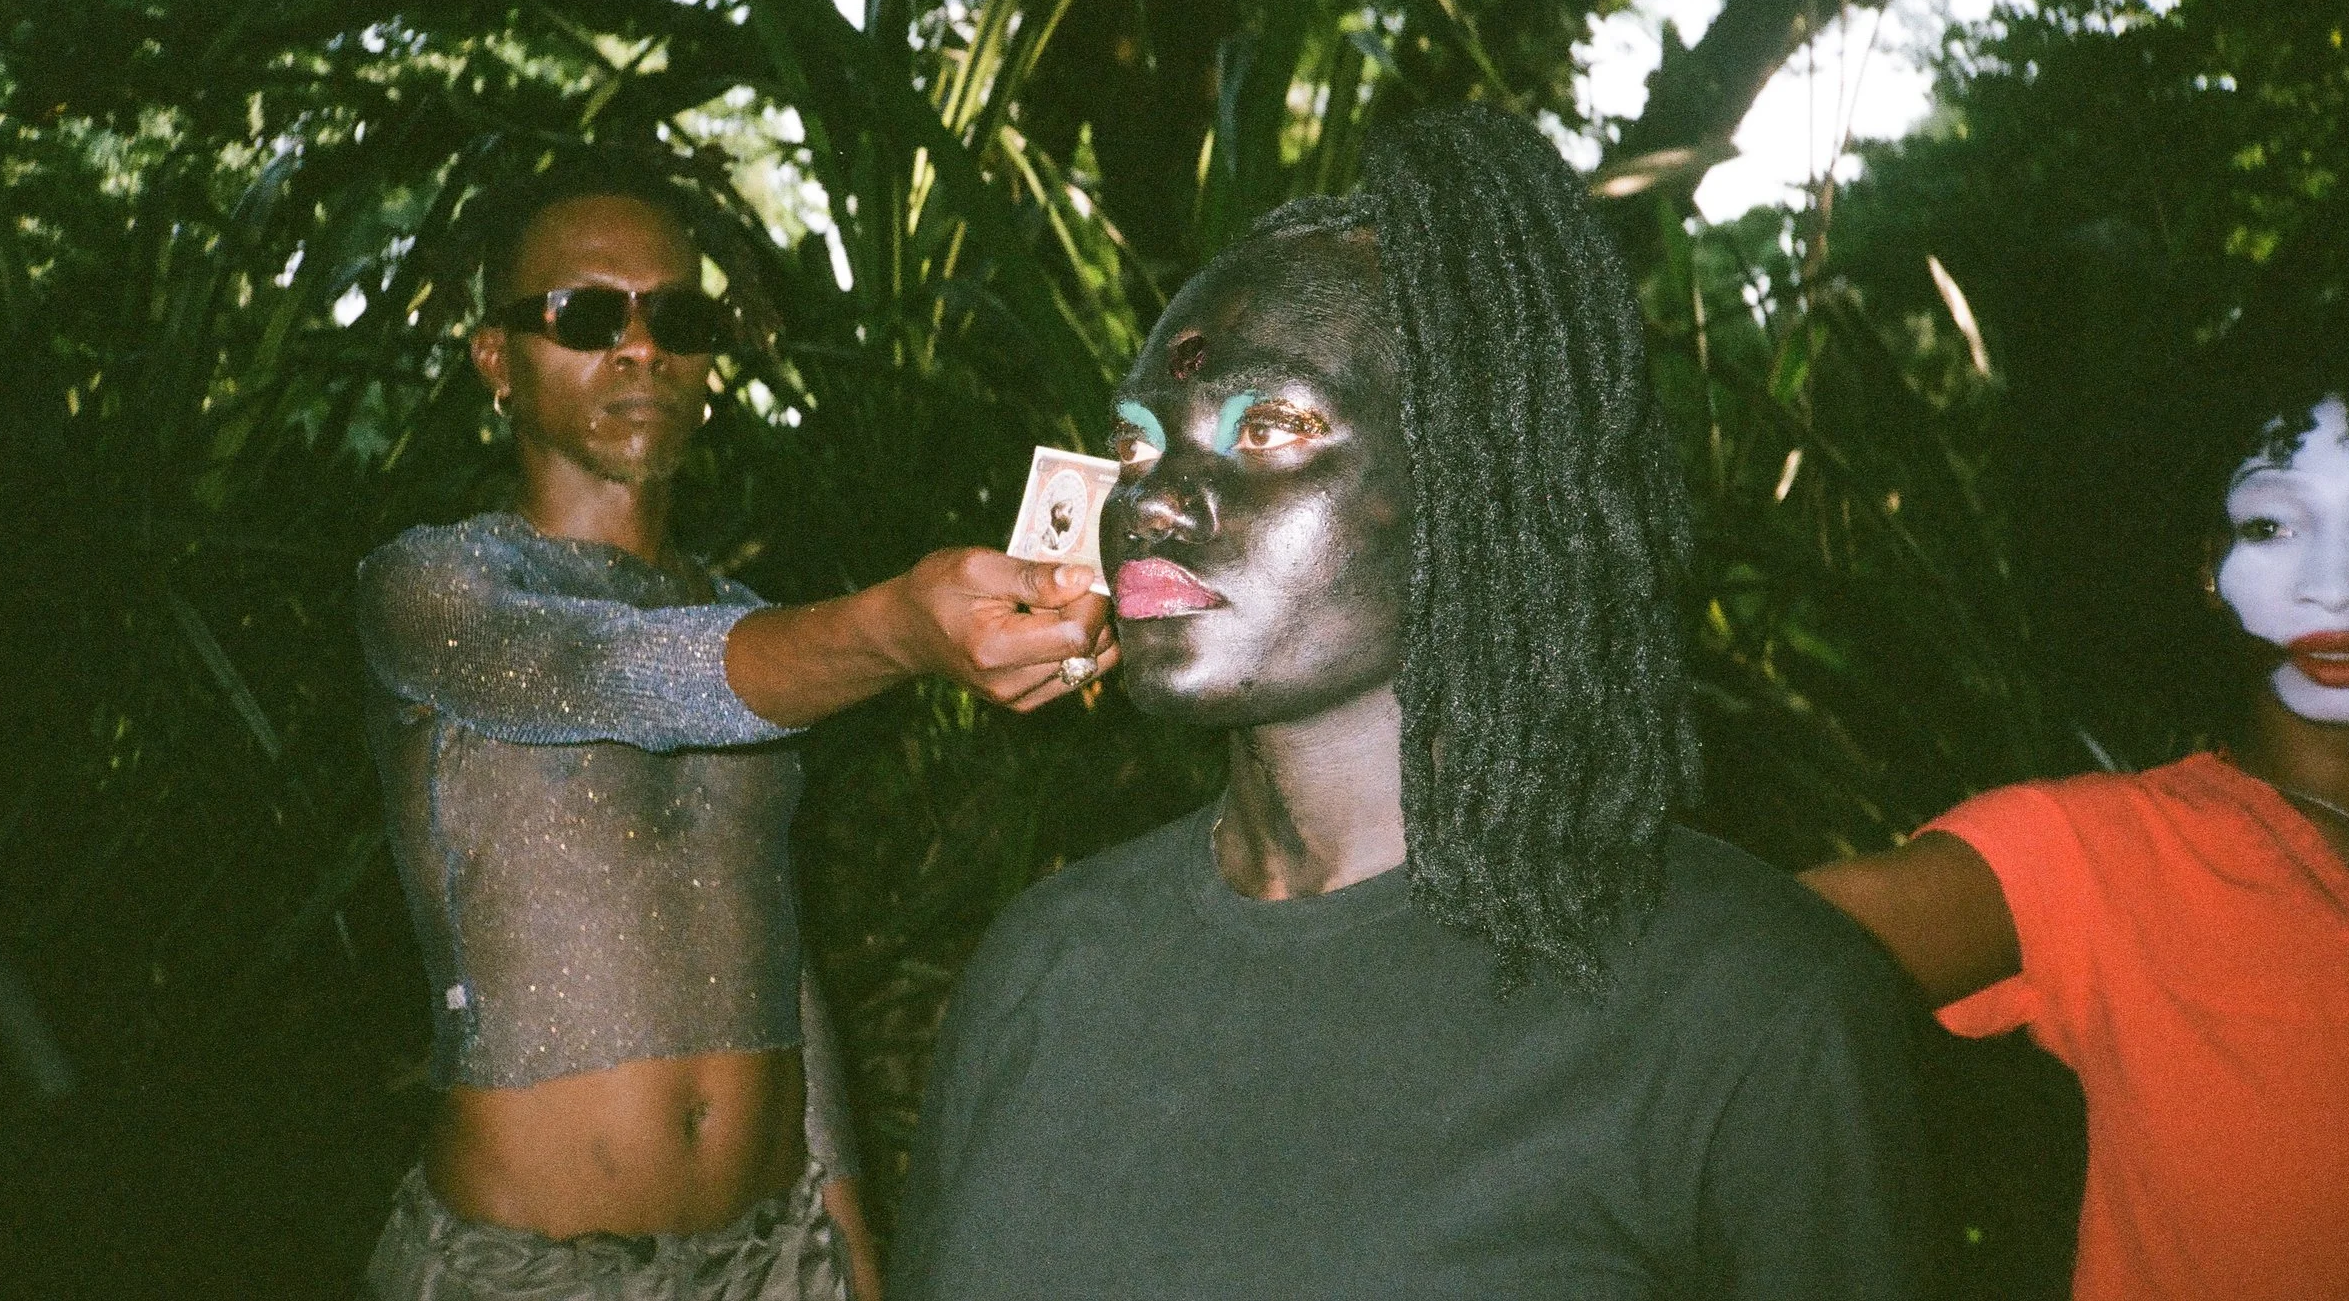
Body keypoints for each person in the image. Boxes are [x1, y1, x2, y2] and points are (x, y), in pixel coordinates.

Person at [891, 105, 1928, 1299]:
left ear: (1477, 483)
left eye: (1269, 427)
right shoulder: (1043, 966)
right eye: (1134, 445)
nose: (1155, 502)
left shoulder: (1748, 1008)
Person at [357, 173, 1117, 1301]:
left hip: (774, 1259)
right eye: (585, 317)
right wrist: (901, 625)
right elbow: (622, 675)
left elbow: (769, 942)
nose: (641, 351)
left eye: (681, 318)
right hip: (524, 1273)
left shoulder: (742, 615)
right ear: (495, 362)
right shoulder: (432, 589)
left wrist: (849, 1238)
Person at [1801, 311, 2349, 1301]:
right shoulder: (2096, 853)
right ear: (2207, 568)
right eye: (2273, 523)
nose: (2336, 584)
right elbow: (1720, 948)